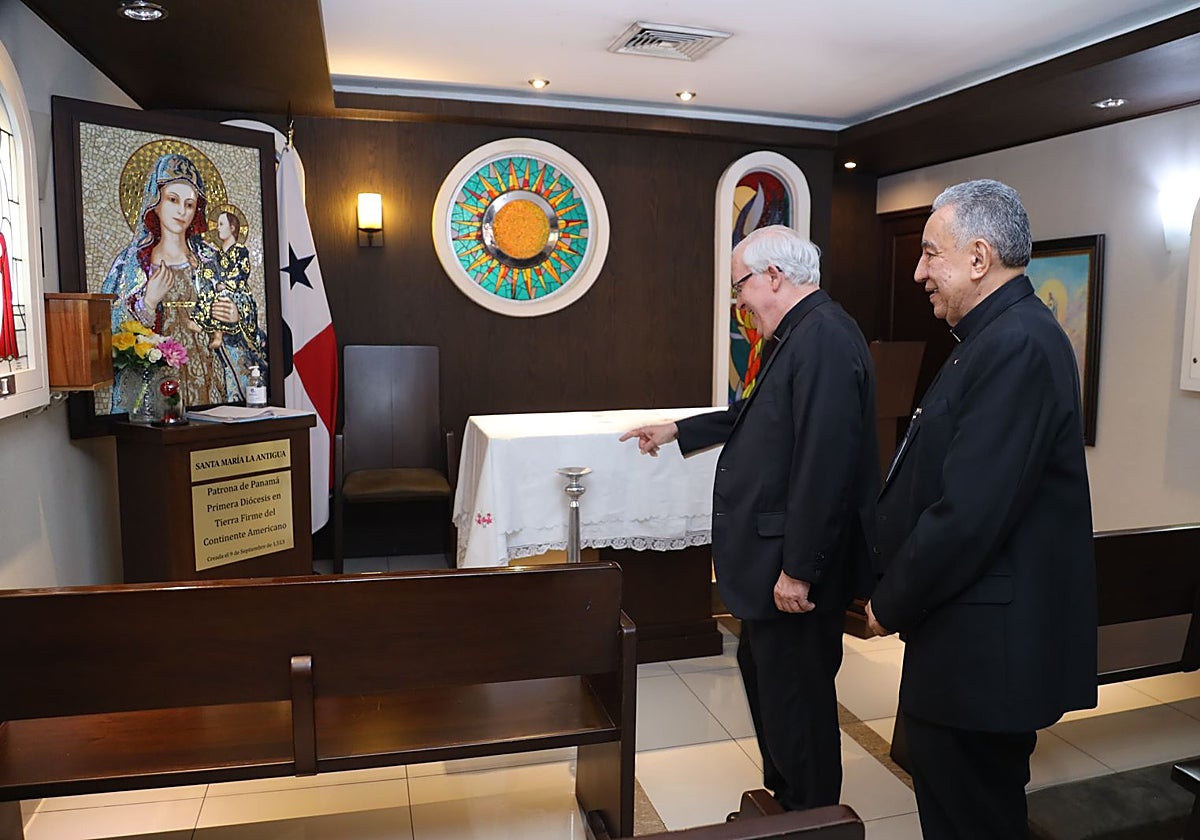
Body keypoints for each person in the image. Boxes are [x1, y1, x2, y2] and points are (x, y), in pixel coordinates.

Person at [865, 179, 1097, 839]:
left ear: (977, 257)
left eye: (929, 254)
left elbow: (970, 512)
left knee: (973, 819)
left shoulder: (1015, 343)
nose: (919, 273)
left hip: (985, 655)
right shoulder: (997, 336)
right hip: (971, 644)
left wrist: (890, 602)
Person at [621, 225, 879, 812]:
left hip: (795, 572)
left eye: (739, 285)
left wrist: (800, 570)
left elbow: (825, 466)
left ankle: (811, 818)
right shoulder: (799, 334)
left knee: (798, 703)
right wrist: (679, 429)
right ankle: (788, 806)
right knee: (768, 680)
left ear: (773, 277)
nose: (738, 300)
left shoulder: (824, 340)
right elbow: (758, 413)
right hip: (777, 566)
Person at [102, 153, 254, 409]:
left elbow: (242, 297)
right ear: (156, 202)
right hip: (158, 371)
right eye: (173, 200)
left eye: (190, 204)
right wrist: (147, 303)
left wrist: (236, 313)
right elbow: (107, 323)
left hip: (207, 367)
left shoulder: (210, 259)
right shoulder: (131, 263)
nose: (181, 211)